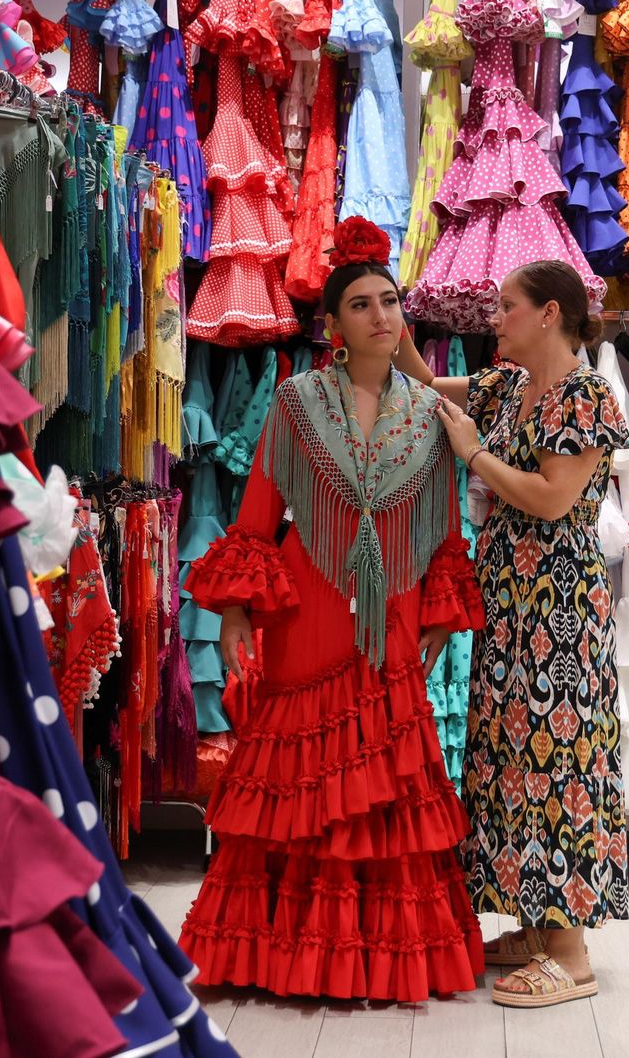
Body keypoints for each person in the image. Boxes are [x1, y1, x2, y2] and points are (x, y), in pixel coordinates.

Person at [177, 217, 488, 1001]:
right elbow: (259, 507)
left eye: (391, 302)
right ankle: (278, 955)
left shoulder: (430, 412)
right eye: (363, 305)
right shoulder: (295, 400)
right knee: (292, 777)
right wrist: (239, 612)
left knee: (383, 784)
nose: (383, 317)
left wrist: (441, 618)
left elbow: (444, 524)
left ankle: (375, 958)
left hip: (396, 610)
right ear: (335, 324)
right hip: (305, 600)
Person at [396, 260, 629, 1009]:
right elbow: (426, 388)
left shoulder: (584, 394)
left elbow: (552, 498)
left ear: (550, 314)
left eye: (506, 307)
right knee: (510, 759)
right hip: (509, 601)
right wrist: (388, 313)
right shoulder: (508, 386)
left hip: (558, 605)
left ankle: (572, 954)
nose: (494, 318)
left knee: (556, 761)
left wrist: (473, 455)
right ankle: (534, 929)